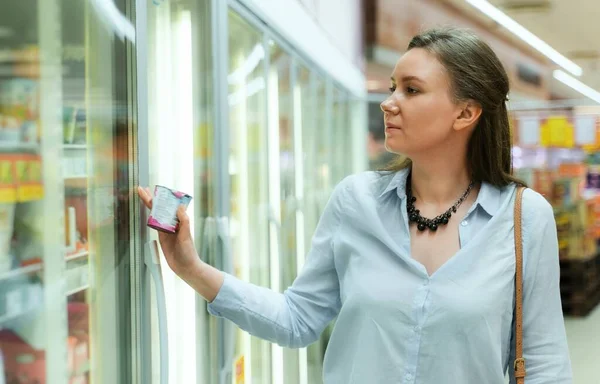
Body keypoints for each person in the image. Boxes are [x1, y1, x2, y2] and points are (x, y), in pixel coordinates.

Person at [138, 28, 573, 383]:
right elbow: (297, 319)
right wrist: (193, 268)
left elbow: (545, 367)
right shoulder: (356, 201)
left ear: (466, 113)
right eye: (392, 87)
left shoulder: (523, 217)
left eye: (412, 90)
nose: (388, 102)